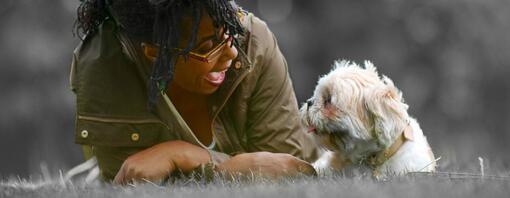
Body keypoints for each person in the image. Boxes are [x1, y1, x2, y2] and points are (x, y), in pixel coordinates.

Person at [70, 0, 318, 184]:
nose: (232, 53)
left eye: (229, 31)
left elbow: (289, 170)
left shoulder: (253, 43)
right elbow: (134, 183)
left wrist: (186, 157)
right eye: (207, 46)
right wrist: (240, 166)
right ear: (156, 52)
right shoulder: (105, 69)